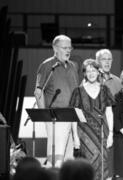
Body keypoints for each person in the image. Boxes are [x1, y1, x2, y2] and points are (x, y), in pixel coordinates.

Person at [34, 34, 80, 167]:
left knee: (68, 159)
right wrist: (45, 115)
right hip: (56, 118)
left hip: (72, 117)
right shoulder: (47, 65)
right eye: (64, 47)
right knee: (56, 158)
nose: (68, 51)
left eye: (70, 48)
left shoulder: (73, 66)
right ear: (55, 48)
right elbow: (38, 92)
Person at [69, 59, 114, 180]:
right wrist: (75, 137)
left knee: (102, 162)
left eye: (93, 70)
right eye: (88, 71)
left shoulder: (105, 90)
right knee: (85, 163)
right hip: (83, 132)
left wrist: (110, 134)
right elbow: (74, 115)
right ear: (84, 73)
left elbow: (109, 113)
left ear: (98, 72)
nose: (91, 73)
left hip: (101, 131)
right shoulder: (78, 91)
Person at [95, 49, 122, 179]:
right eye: (104, 59)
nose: (107, 62)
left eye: (109, 59)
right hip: (95, 125)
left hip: (113, 127)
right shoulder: (91, 79)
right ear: (97, 61)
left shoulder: (118, 81)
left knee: (110, 161)